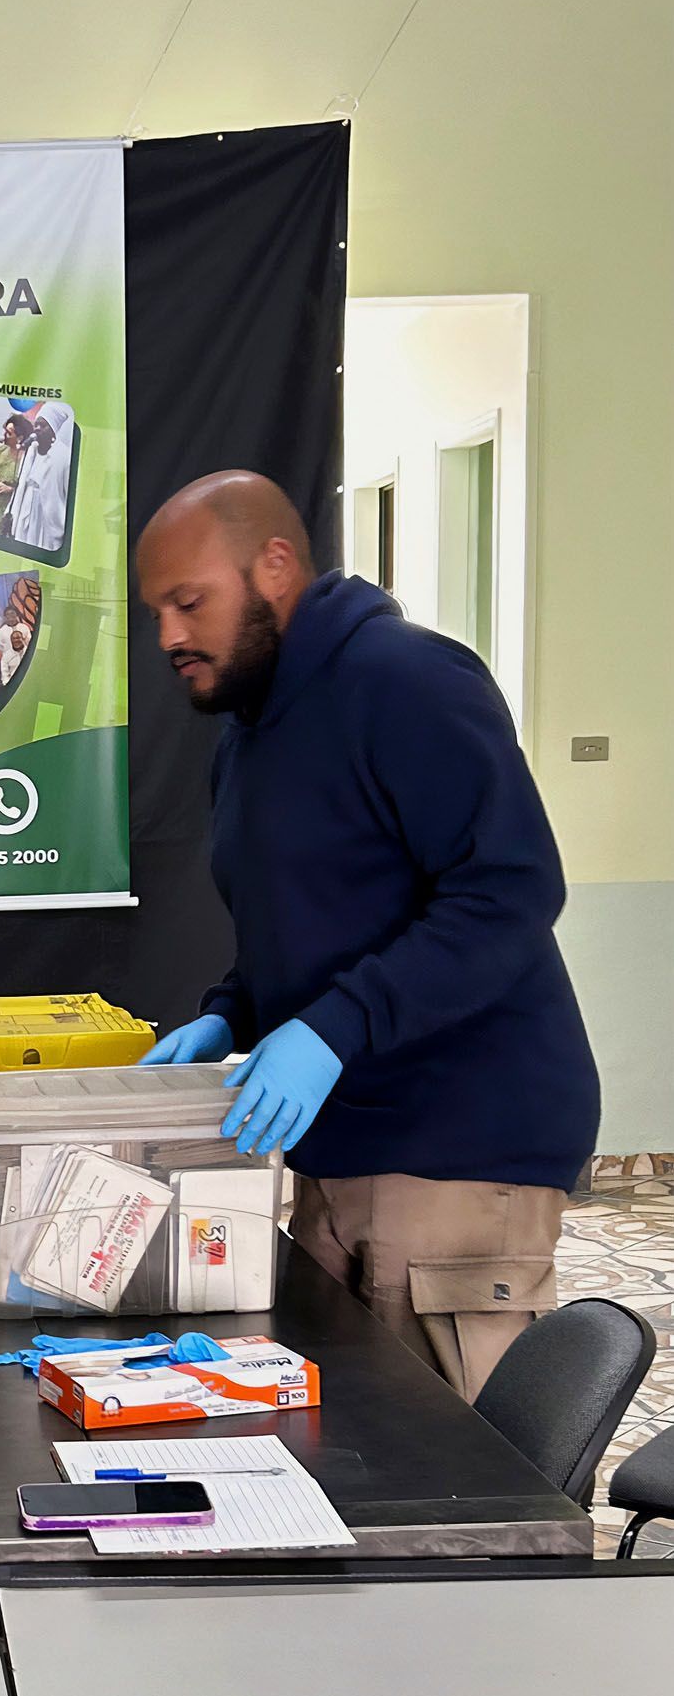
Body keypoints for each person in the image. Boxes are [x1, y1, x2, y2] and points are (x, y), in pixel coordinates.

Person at [136, 471, 599, 1400]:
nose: (169, 637)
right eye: (156, 613)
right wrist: (231, 1013)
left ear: (274, 567)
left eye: (189, 602)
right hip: (338, 1151)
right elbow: (312, 921)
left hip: (457, 1151)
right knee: (354, 1448)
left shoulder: (405, 681)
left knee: (455, 1470)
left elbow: (508, 892)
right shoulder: (248, 736)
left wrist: (331, 1029)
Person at [7, 410, 70, 549]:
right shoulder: (31, 451)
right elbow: (21, 485)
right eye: (36, 425)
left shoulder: (64, 456)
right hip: (26, 507)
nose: (37, 429)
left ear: (53, 430)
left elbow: (67, 495)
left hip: (47, 515)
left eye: (43, 425)